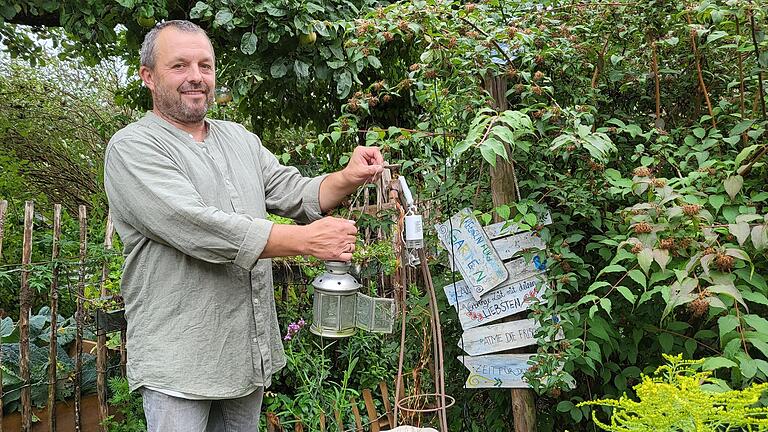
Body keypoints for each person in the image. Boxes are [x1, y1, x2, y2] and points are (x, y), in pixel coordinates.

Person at [103, 20, 384, 432]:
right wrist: (305, 241)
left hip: (244, 354)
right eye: (179, 66)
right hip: (181, 362)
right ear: (148, 76)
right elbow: (200, 227)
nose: (196, 77)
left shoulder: (238, 139)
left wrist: (348, 176)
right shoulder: (133, 148)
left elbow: (294, 191)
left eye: (205, 65)